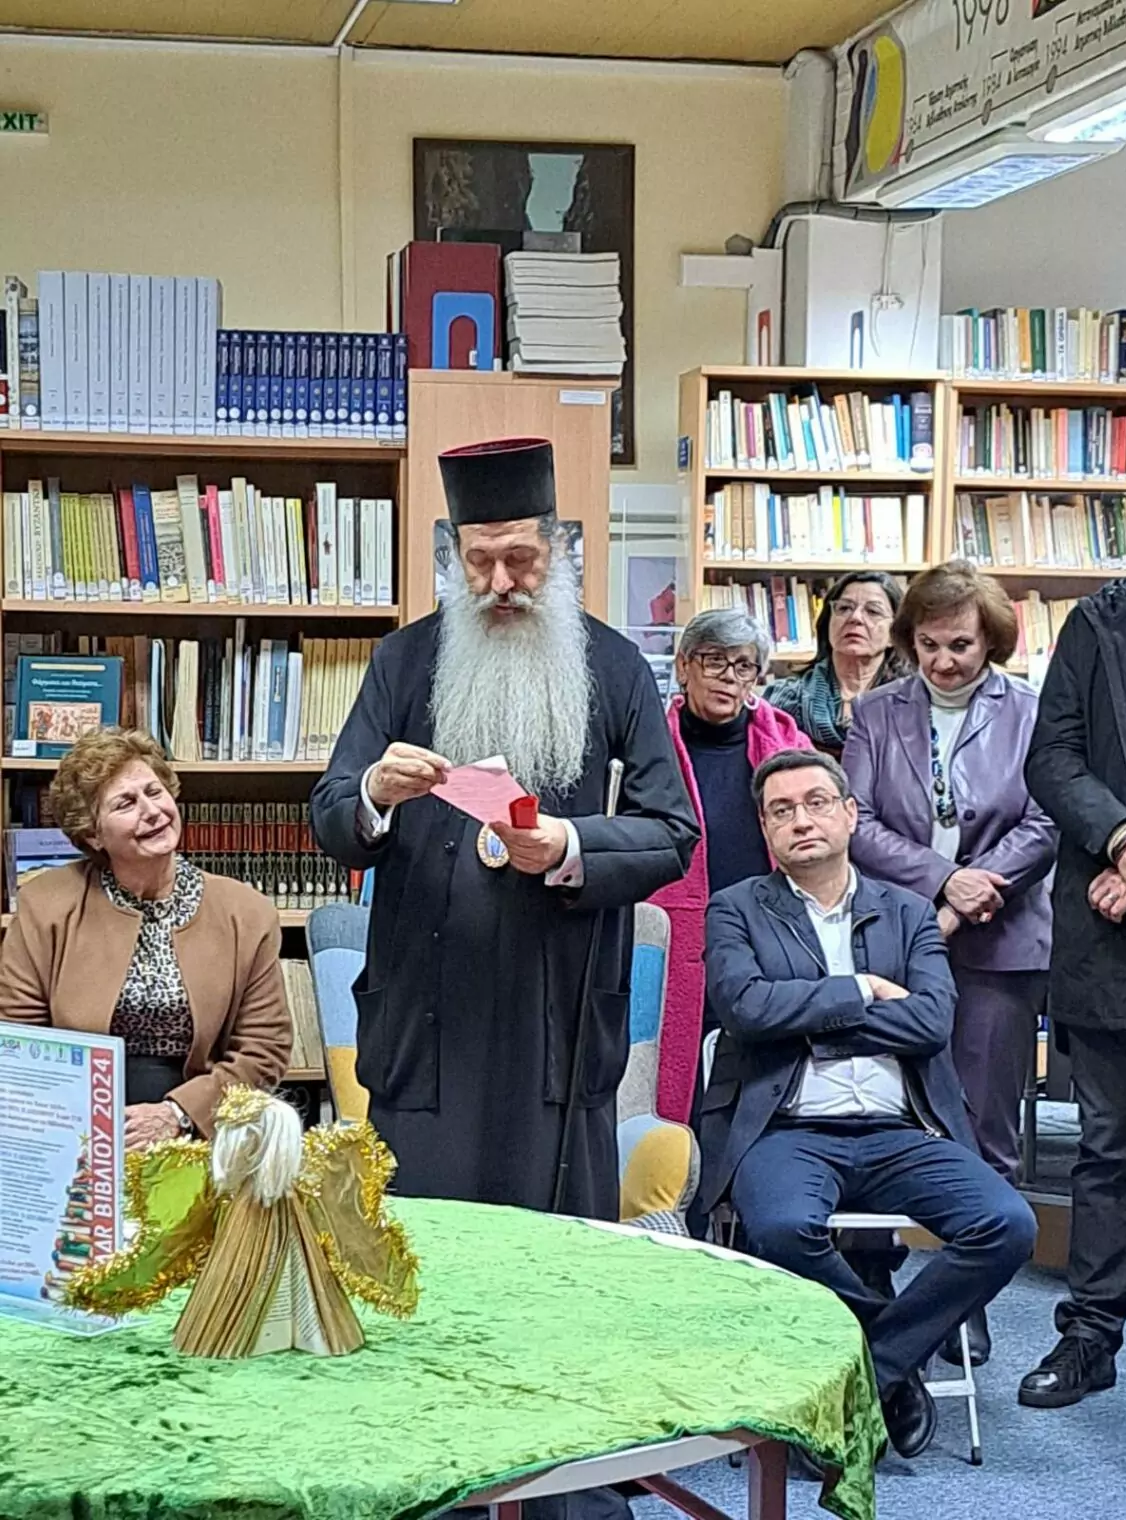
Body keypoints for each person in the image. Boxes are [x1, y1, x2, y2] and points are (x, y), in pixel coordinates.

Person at [310, 437, 699, 1220]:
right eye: (480, 562)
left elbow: (671, 832)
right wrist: (376, 793)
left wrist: (570, 846)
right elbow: (331, 811)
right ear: (456, 557)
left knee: (551, 1261)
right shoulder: (403, 662)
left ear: (556, 550)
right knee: (424, 1251)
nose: (499, 584)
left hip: (557, 1022)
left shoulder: (616, 667)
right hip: (427, 1024)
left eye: (520, 560)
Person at [698, 750, 1036, 1459]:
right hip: (787, 1128)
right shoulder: (736, 909)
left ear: (851, 814)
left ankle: (874, 1367)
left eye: (817, 802)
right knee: (781, 1228)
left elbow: (931, 1022)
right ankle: (893, 1362)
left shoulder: (907, 911)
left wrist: (810, 1019)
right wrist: (863, 990)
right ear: (766, 830)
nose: (801, 820)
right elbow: (746, 1008)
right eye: (782, 810)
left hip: (901, 1128)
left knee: (1007, 1225)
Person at [842, 561, 1056, 1366]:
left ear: (991, 640)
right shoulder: (877, 712)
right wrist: (941, 879)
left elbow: (1045, 821)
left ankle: (969, 1298)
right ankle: (873, 1277)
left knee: (983, 1125)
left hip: (1001, 945)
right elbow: (858, 822)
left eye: (960, 646)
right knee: (881, 1108)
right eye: (928, 645)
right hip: (896, 935)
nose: (943, 662)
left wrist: (972, 891)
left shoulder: (1029, 711)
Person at [0, 728, 292, 1145]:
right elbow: (17, 1040)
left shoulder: (246, 912)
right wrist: (82, 1125)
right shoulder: (45, 905)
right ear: (93, 834)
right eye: (126, 803)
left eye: (155, 792)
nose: (153, 811)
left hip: (205, 1129)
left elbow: (264, 1048)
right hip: (73, 1125)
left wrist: (179, 1115)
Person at [1018, 573, 1126, 1408]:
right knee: (1108, 1149)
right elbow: (1052, 758)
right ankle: (1091, 1337)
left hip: (1120, 891)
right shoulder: (1098, 623)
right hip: (1110, 945)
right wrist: (1123, 837)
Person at [652, 607, 812, 1126]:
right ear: (683, 666)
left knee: (760, 1081)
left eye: (743, 665)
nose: (728, 677)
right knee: (675, 1076)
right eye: (714, 661)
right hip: (674, 933)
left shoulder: (787, 745)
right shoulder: (650, 742)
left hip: (764, 935)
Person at [765, 571, 910, 756]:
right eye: (844, 608)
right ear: (828, 622)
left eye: (873, 611)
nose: (855, 618)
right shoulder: (786, 699)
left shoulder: (911, 702)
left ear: (894, 634)